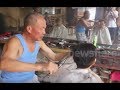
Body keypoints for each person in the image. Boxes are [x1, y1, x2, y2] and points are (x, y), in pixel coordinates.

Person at [0, 12, 70, 83]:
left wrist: (70, 53)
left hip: (30, 79)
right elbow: (4, 64)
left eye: (44, 29)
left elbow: (54, 57)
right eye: (42, 28)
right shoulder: (15, 42)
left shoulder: (38, 42)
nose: (44, 32)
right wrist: (42, 66)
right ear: (29, 29)